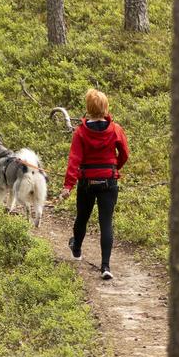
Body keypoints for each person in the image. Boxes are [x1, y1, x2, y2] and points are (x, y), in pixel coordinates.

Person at [59, 88, 130, 281]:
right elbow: (124, 153)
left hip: (86, 182)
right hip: (109, 180)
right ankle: (105, 266)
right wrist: (115, 168)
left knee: (82, 217)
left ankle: (77, 250)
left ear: (88, 108)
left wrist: (68, 186)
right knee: (106, 222)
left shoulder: (80, 132)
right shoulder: (115, 129)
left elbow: (74, 160)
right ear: (105, 107)